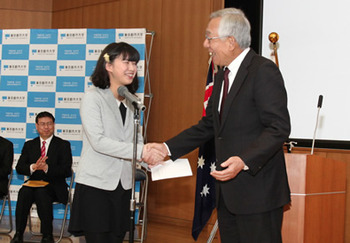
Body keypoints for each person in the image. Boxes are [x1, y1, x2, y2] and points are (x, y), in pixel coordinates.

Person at [144, 8, 291, 243]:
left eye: (209, 37)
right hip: (228, 196)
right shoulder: (223, 75)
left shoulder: (263, 71)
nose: (205, 44)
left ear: (231, 41)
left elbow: (278, 127)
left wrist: (243, 160)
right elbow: (209, 126)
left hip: (258, 195)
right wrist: (166, 149)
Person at [68, 42, 164, 243]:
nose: (132, 68)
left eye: (135, 63)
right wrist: (142, 151)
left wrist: (151, 161)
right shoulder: (92, 97)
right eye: (126, 62)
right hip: (96, 186)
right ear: (108, 66)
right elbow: (99, 142)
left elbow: (136, 142)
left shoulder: (132, 101)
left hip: (123, 187)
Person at [11, 111, 72, 243]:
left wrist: (46, 168)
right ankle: (18, 234)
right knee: (23, 192)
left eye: (49, 124)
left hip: (54, 187)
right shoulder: (29, 145)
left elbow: (67, 170)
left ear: (54, 125)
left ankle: (47, 235)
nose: (46, 127)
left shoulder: (63, 145)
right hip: (33, 185)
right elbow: (20, 168)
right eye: (43, 124)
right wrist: (33, 167)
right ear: (37, 126)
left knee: (42, 192)